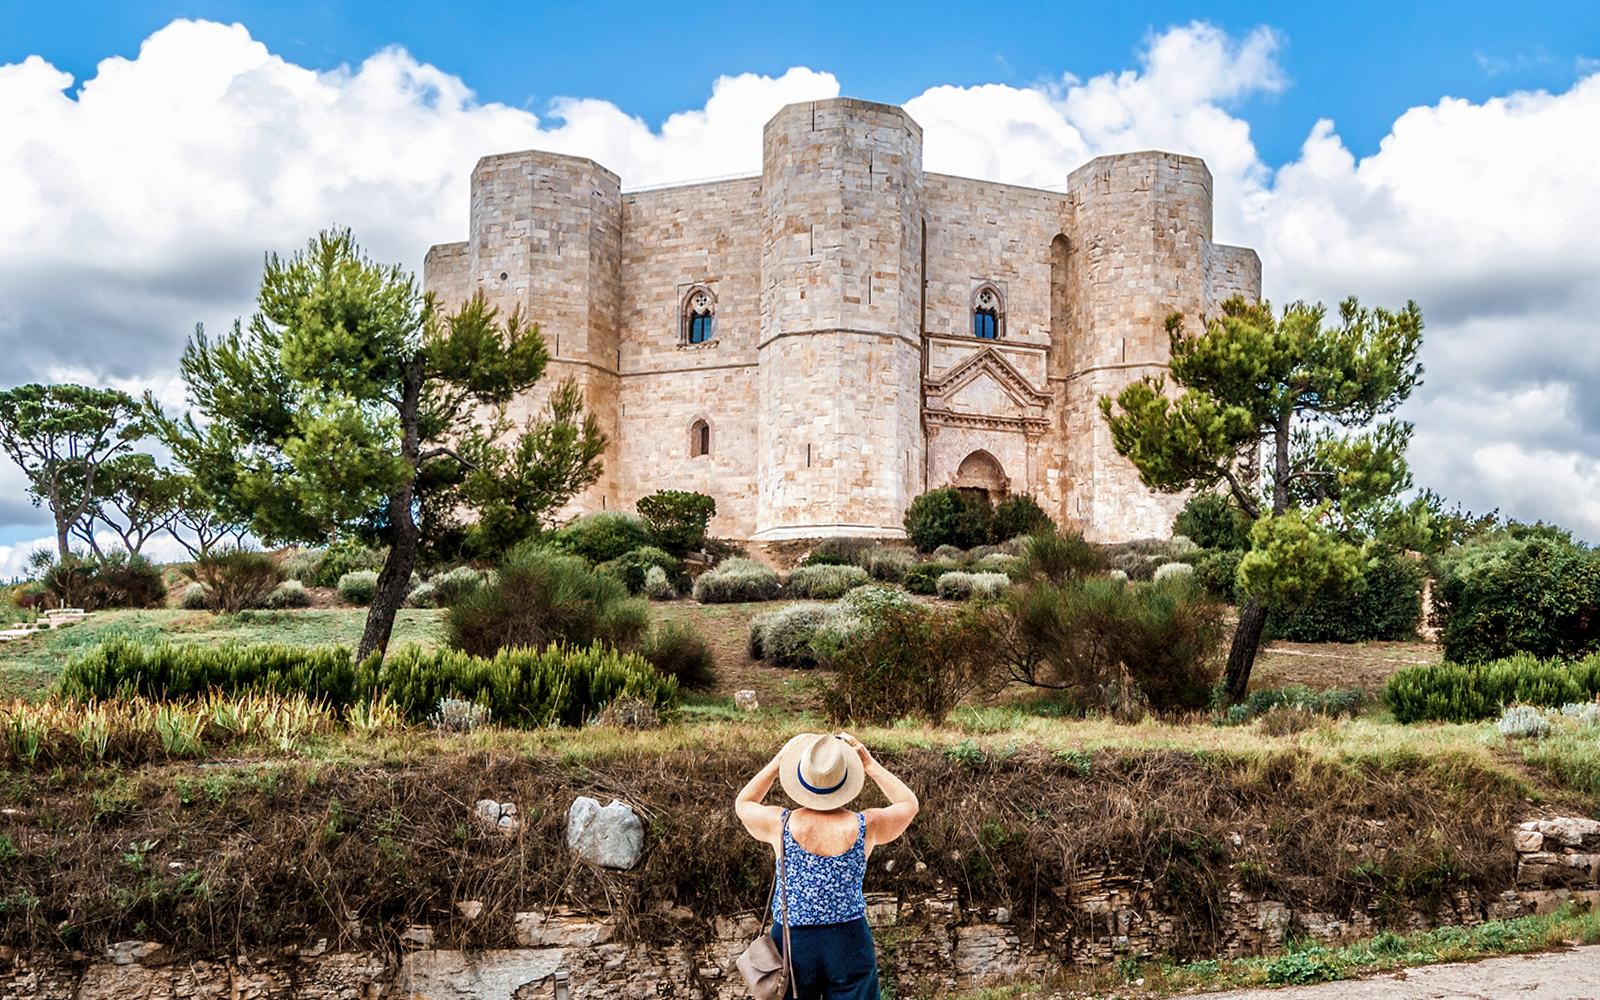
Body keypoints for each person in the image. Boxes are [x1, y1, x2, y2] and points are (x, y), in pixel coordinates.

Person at [734, 732, 919, 1000]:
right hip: (848, 938)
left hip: (791, 938)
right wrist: (869, 764)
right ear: (845, 780)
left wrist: (779, 760)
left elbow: (744, 803)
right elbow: (909, 804)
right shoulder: (865, 825)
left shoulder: (780, 823)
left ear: (801, 778)